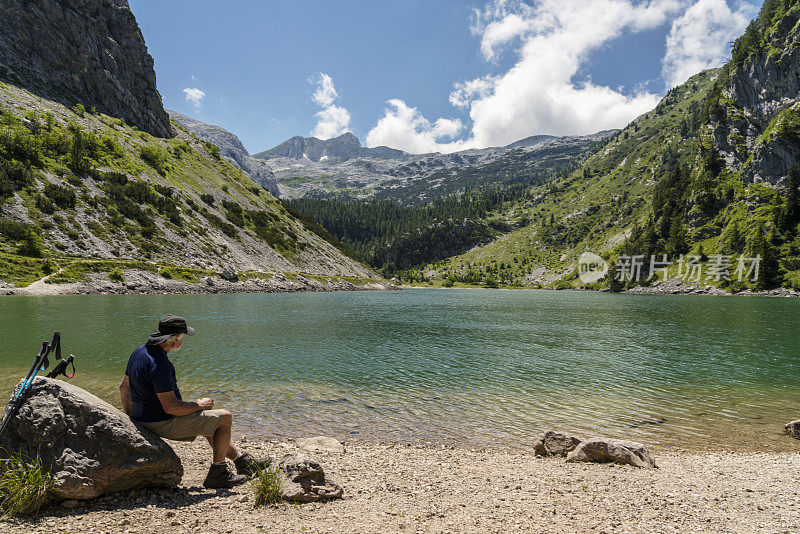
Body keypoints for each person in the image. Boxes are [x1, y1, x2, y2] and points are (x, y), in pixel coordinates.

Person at [119, 314, 268, 489]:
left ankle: (243, 462)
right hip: (161, 422)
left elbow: (123, 387)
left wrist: (132, 417)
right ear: (173, 340)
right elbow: (171, 408)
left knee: (208, 419)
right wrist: (200, 405)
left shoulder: (138, 352)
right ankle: (218, 474)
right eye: (182, 337)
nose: (183, 341)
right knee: (224, 418)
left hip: (143, 417)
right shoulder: (160, 365)